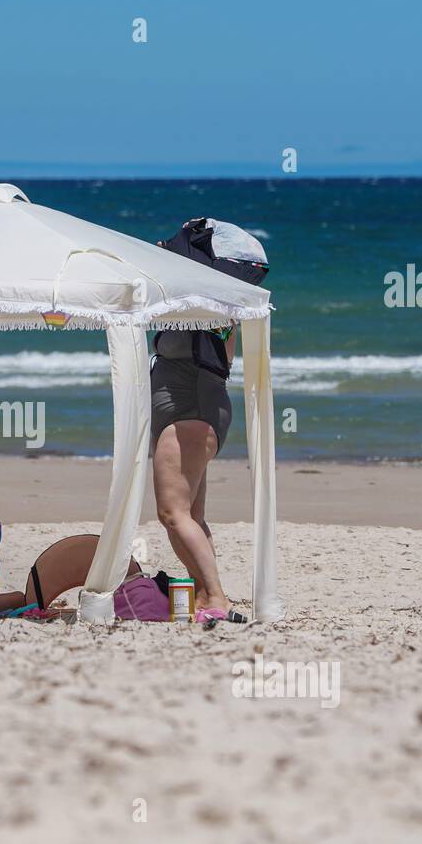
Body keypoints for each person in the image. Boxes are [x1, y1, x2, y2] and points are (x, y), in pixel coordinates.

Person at [150, 218, 268, 625]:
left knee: (172, 513)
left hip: (189, 407)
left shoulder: (210, 302)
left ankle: (214, 597)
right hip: (197, 407)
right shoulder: (209, 303)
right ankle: (206, 597)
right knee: (190, 517)